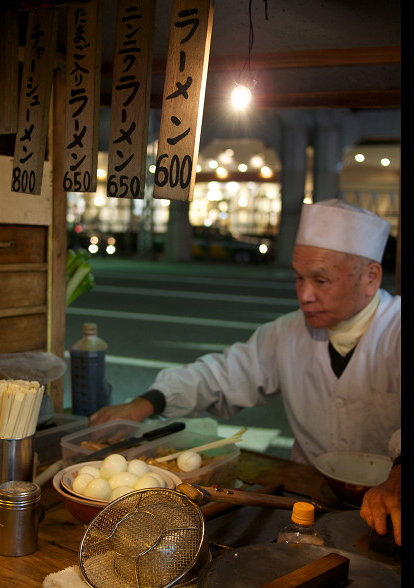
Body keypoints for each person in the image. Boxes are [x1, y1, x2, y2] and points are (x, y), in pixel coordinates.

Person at [89, 199, 401, 545]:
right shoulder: (287, 333)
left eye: (321, 281)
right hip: (310, 494)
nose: (304, 295)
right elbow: (220, 376)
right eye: (299, 278)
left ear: (371, 277)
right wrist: (145, 404)